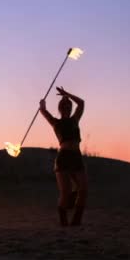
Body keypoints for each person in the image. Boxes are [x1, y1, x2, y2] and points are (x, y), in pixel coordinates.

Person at [39, 87, 88, 226]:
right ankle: (63, 221)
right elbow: (43, 111)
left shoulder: (75, 119)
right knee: (65, 193)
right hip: (64, 158)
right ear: (60, 108)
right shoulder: (56, 123)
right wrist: (42, 106)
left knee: (83, 189)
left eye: (69, 105)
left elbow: (81, 103)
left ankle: (76, 221)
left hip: (76, 156)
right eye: (64, 105)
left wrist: (67, 94)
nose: (67, 107)